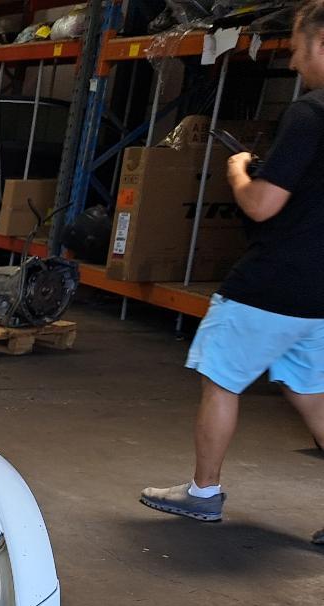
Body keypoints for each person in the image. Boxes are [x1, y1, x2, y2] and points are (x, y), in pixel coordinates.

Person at [141, 0, 324, 544]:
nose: (293, 62)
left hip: (271, 282)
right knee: (315, 395)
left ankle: (203, 494)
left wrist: (240, 172)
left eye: (295, 48)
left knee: (221, 378)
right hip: (319, 291)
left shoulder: (310, 114)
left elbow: (263, 204)